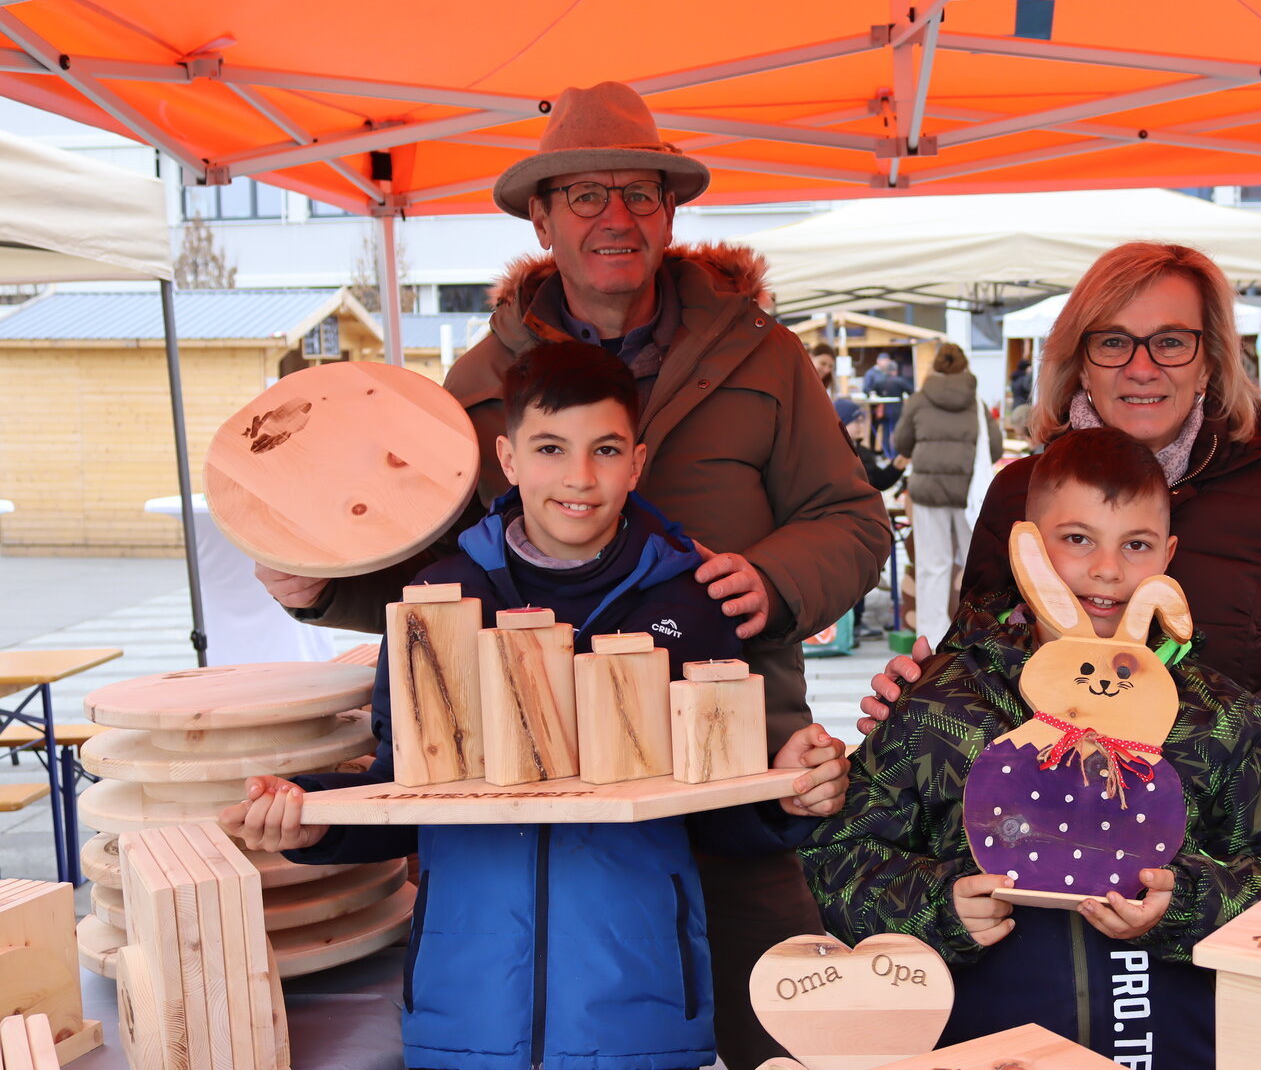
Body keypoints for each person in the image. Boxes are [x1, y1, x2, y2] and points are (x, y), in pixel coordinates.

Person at [252, 80, 891, 1068]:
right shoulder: (475, 387)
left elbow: (853, 519)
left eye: (639, 192)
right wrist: (327, 589)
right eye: (585, 195)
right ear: (541, 219)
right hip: (528, 792)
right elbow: (443, 574)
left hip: (739, 757)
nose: (614, 217)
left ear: (670, 212)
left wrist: (775, 580)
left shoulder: (763, 356)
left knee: (774, 1033)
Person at [223, 345, 851, 1070]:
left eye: (605, 450)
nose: (579, 477)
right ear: (508, 459)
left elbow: (714, 814)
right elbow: (404, 788)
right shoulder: (437, 598)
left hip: (639, 1010)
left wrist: (783, 796)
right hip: (467, 1006)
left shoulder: (693, 604)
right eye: (550, 448)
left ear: (637, 463)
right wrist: (312, 819)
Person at [801, 427, 1261, 1065]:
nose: (1107, 570)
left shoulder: (1219, 718)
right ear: (1027, 548)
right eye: (1077, 539)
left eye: (1136, 545)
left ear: (1168, 556)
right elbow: (834, 859)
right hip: (978, 1049)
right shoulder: (941, 707)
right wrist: (939, 906)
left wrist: (1186, 902)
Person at [862, 242, 1261, 737]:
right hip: (1038, 782)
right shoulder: (1017, 491)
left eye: (1171, 342)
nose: (1142, 368)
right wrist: (920, 695)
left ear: (1208, 364)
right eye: (1113, 342)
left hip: (1228, 786)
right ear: (1081, 363)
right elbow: (978, 658)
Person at [892, 343, 1001, 648]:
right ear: (965, 367)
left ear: (935, 366)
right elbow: (995, 447)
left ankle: (929, 640)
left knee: (932, 566)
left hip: (928, 493)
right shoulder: (976, 403)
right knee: (975, 565)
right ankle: (977, 633)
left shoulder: (919, 400)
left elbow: (901, 443)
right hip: (968, 495)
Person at [835, 396, 904, 641]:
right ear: (842, 423)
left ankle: (855, 623)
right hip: (846, 523)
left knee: (859, 574)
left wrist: (897, 467)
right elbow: (871, 482)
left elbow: (878, 482)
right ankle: (851, 626)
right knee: (851, 576)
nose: (861, 425)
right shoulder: (840, 453)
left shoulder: (860, 451)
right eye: (856, 421)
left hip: (859, 522)